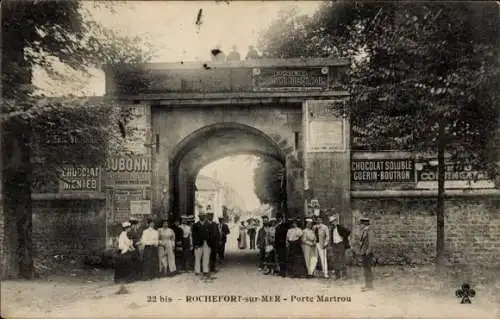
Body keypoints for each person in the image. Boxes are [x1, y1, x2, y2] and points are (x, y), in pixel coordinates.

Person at [329, 215, 351, 279]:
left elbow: (348, 231)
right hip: (334, 245)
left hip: (340, 244)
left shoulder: (340, 227)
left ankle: (344, 275)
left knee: (342, 259)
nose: (333, 223)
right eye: (331, 222)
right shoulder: (332, 229)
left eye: (334, 221)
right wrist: (332, 244)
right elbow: (332, 237)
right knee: (335, 260)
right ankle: (337, 275)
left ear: (336, 221)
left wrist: (343, 237)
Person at [192, 212, 212, 278]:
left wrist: (210, 243)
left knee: (206, 257)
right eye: (201, 216)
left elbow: (211, 235)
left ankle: (205, 270)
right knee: (198, 257)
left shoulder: (208, 224)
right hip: (198, 243)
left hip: (207, 243)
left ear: (205, 216)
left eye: (203, 216)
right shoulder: (195, 225)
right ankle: (197, 271)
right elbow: (194, 236)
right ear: (199, 217)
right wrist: (195, 244)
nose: (202, 217)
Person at [359, 217, 374, 291]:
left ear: (365, 224)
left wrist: (367, 252)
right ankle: (367, 285)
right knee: (365, 269)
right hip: (364, 252)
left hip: (367, 253)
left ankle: (369, 285)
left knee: (368, 269)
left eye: (361, 224)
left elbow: (371, 244)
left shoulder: (369, 231)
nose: (360, 225)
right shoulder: (365, 231)